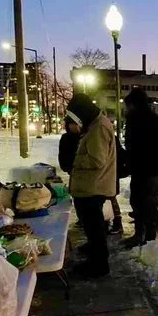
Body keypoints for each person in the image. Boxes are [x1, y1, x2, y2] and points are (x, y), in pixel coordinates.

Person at [66, 94, 116, 277]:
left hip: (94, 186)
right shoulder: (96, 125)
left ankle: (99, 264)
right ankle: (95, 255)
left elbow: (97, 159)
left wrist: (76, 160)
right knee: (93, 226)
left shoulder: (99, 127)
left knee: (94, 226)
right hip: (92, 185)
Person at [120, 88, 158, 250]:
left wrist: (131, 163)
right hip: (151, 170)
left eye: (128, 105)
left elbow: (133, 148)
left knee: (141, 203)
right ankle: (147, 237)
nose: (126, 109)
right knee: (147, 204)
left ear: (134, 104)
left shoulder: (135, 121)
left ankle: (144, 237)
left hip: (143, 170)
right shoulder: (156, 121)